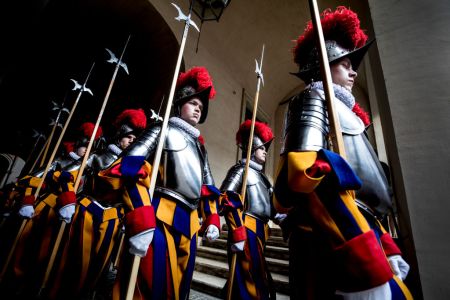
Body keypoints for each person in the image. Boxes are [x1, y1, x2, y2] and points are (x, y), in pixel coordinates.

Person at [273, 6, 412, 299]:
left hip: (360, 232)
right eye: (345, 63)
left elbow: (365, 199)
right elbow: (307, 177)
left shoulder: (348, 114)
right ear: (323, 64)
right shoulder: (313, 98)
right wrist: (362, 257)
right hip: (332, 241)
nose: (354, 71)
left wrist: (385, 246)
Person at [102, 66, 221, 299]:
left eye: (201, 107)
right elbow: (128, 168)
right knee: (149, 286)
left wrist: (212, 218)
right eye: (193, 103)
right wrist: (140, 216)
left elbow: (207, 189)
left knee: (179, 289)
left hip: (190, 223)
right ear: (179, 102)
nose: (198, 109)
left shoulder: (200, 147)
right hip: (157, 216)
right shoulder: (161, 130)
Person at [47, 108, 147, 299]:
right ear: (120, 136)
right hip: (87, 211)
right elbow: (67, 175)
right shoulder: (97, 156)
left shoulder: (131, 165)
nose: (132, 140)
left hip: (112, 219)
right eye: (129, 136)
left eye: (136, 138)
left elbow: (131, 194)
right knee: (75, 264)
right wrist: (68, 198)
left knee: (98, 269)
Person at [220, 120, 283, 300]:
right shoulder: (240, 170)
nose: (265, 151)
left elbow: (271, 208)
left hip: (261, 231)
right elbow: (226, 197)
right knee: (250, 280)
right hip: (245, 228)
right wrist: (237, 230)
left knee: (254, 276)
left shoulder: (263, 179)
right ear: (250, 148)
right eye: (262, 148)